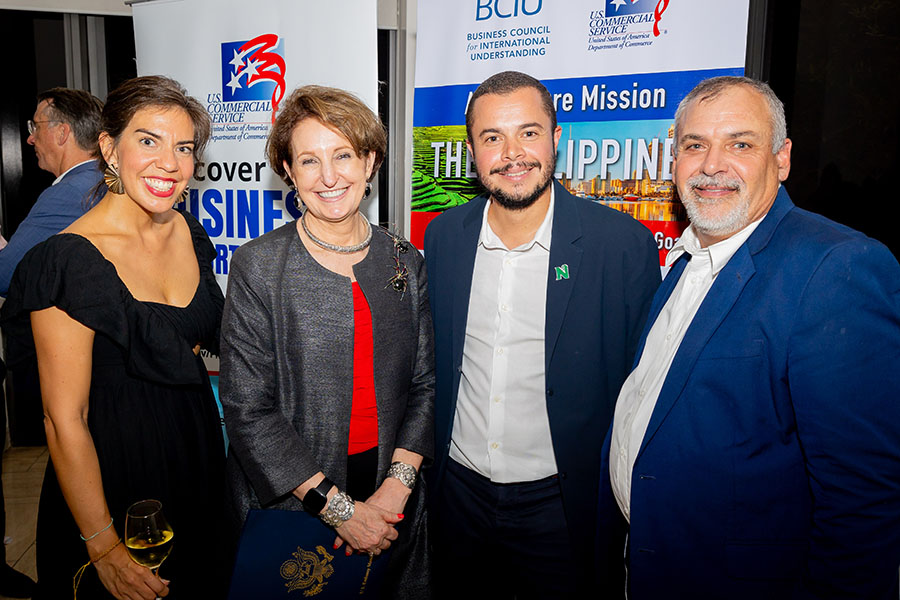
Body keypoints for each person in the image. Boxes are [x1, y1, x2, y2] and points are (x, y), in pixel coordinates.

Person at [600, 76, 900, 599]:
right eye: (695, 146)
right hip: (650, 564)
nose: (712, 165)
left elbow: (863, 500)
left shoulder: (835, 268)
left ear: (781, 159)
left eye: (740, 144)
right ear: (675, 162)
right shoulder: (682, 262)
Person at [424, 70, 661, 597]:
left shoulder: (620, 246)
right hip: (457, 497)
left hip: (562, 508)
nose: (512, 153)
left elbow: (644, 391)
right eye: (492, 138)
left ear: (556, 140)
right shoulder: (444, 238)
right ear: (472, 152)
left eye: (529, 133)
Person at [0, 75, 226, 600]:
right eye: (148, 140)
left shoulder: (190, 233)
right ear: (109, 147)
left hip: (194, 456)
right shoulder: (66, 261)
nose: (169, 162)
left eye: (184, 147)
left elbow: (181, 346)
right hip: (115, 478)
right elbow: (64, 419)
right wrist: (102, 545)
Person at [220, 85, 434, 599]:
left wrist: (397, 485)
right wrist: (338, 509)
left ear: (370, 160)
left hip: (392, 493)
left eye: (343, 155)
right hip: (296, 500)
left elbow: (424, 384)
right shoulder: (259, 266)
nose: (330, 176)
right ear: (289, 173)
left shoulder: (404, 259)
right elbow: (248, 410)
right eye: (309, 161)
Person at [0, 88, 104, 296]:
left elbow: (6, 278)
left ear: (62, 133)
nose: (31, 139)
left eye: (36, 127)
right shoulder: (102, 180)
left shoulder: (69, 193)